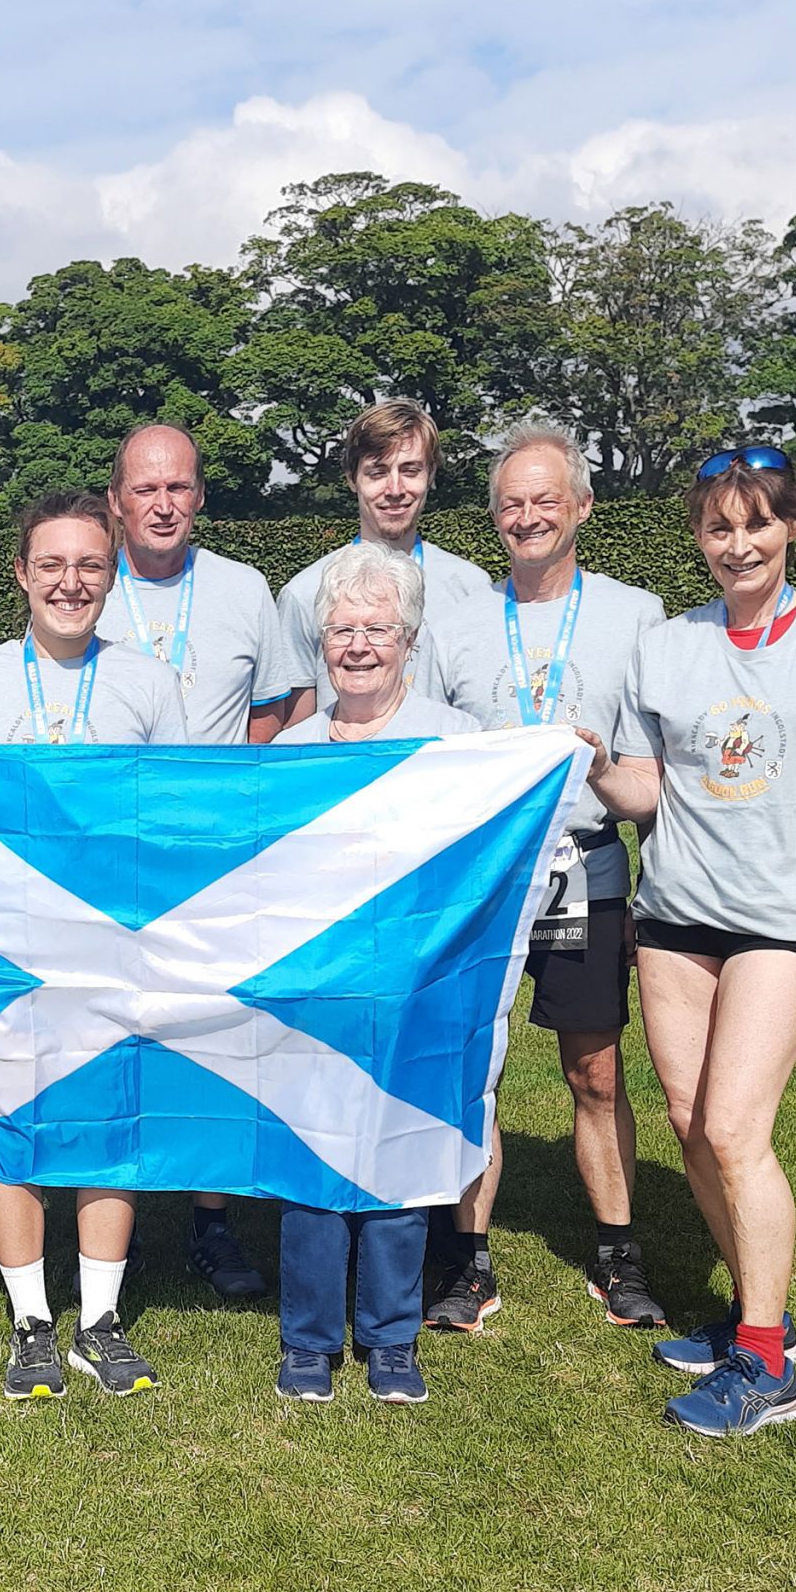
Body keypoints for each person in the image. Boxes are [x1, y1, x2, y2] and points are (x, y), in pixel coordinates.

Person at [582, 446, 796, 1438]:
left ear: (790, 527)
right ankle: (750, 1315)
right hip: (676, 915)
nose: (738, 545)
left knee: (736, 1130)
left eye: (756, 524)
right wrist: (596, 768)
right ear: (697, 537)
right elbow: (650, 792)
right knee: (693, 1123)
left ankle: (768, 1368)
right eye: (718, 527)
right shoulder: (667, 644)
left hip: (784, 921)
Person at [0, 491, 187, 1400]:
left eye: (89, 567)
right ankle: (32, 1320)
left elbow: (180, 820)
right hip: (5, 948)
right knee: (11, 1130)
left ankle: (100, 1321)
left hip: (116, 946)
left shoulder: (148, 682)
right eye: (52, 566)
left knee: (112, 1123)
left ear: (111, 576)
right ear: (22, 574)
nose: (70, 584)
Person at [419, 417, 668, 1334]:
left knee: (595, 1072)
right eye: (511, 504)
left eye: (545, 501)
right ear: (495, 519)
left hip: (585, 871)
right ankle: (465, 1262)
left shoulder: (635, 617)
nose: (528, 517)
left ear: (583, 509)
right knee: (468, 1071)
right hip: (485, 882)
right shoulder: (455, 626)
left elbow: (650, 786)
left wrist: (601, 768)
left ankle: (617, 1252)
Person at [271, 543, 483, 1405]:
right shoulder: (287, 749)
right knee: (310, 1151)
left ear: (411, 638)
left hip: (415, 981)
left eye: (377, 629)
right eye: (342, 629)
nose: (358, 645)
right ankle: (310, 1337)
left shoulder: (459, 742)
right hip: (315, 983)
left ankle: (391, 1336)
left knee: (402, 1146)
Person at [96, 421, 295, 1302]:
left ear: (201, 496)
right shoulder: (86, 585)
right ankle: (114, 1217)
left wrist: (228, 799)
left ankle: (212, 1223)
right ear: (116, 501)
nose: (163, 504)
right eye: (145, 489)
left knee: (222, 1035)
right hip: (111, 859)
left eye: (179, 487)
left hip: (218, 858)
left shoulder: (247, 589)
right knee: (116, 1034)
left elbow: (278, 704)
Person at [274, 400, 494, 728]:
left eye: (410, 470)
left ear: (430, 475)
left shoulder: (472, 588)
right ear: (352, 478)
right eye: (377, 472)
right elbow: (299, 737)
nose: (395, 489)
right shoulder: (304, 593)